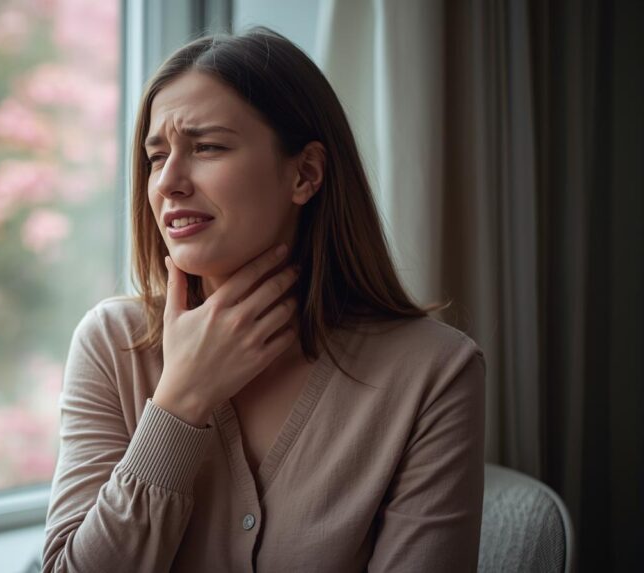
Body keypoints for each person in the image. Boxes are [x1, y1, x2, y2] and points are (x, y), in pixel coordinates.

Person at [42, 27, 485, 573]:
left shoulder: (434, 372)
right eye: (157, 156)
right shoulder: (111, 344)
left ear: (305, 173)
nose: (168, 183)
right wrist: (180, 402)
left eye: (207, 147)